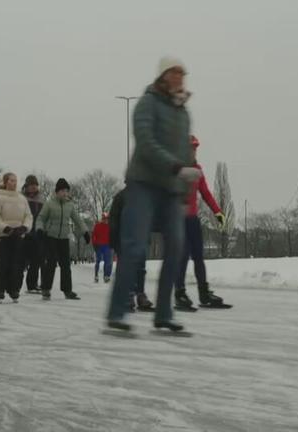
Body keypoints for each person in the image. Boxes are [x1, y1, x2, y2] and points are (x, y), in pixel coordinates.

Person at [105, 56, 201, 334]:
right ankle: (117, 312)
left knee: (176, 248)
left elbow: (184, 152)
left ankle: (163, 314)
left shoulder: (183, 112)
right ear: (162, 76)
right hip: (144, 184)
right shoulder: (147, 103)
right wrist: (174, 166)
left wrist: (183, 191)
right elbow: (145, 141)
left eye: (183, 73)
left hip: (171, 190)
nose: (180, 78)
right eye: (174, 73)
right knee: (134, 246)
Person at [174, 135, 230, 310]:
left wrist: (218, 212)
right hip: (178, 219)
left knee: (198, 256)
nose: (193, 151)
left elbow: (205, 193)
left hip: (192, 220)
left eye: (195, 148)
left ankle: (204, 293)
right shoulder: (176, 170)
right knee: (182, 256)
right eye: (191, 148)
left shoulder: (197, 171)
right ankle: (180, 293)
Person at [36, 178, 88, 301]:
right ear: (57, 192)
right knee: (51, 263)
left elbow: (78, 220)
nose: (65, 193)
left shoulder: (70, 205)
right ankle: (46, 289)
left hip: (64, 237)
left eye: (67, 191)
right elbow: (41, 218)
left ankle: (67, 290)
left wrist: (85, 231)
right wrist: (39, 229)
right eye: (63, 191)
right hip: (50, 237)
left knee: (66, 264)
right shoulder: (49, 204)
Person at [108, 188, 154, 312]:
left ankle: (140, 295)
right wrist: (114, 240)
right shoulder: (121, 197)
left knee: (141, 268)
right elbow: (113, 219)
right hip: (124, 239)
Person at [0, 173, 33, 303]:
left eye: (15, 180)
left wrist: (25, 227)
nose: (14, 183)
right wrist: (5, 228)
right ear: (6, 182)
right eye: (11, 181)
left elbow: (28, 215)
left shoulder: (22, 199)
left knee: (17, 265)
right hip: (4, 236)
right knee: (3, 264)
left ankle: (14, 290)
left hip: (18, 235)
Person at [22, 175, 45, 294]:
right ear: (26, 186)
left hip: (37, 232)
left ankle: (32, 284)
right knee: (20, 260)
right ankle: (13, 283)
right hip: (24, 232)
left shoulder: (41, 199)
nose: (33, 188)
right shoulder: (21, 198)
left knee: (37, 259)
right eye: (31, 185)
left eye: (35, 185)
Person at [92, 213, 113, 283]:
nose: (106, 220)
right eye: (104, 219)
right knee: (98, 261)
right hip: (99, 245)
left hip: (107, 246)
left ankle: (106, 276)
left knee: (108, 262)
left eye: (107, 219)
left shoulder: (110, 226)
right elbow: (94, 235)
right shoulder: (97, 226)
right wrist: (94, 244)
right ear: (102, 219)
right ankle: (96, 275)